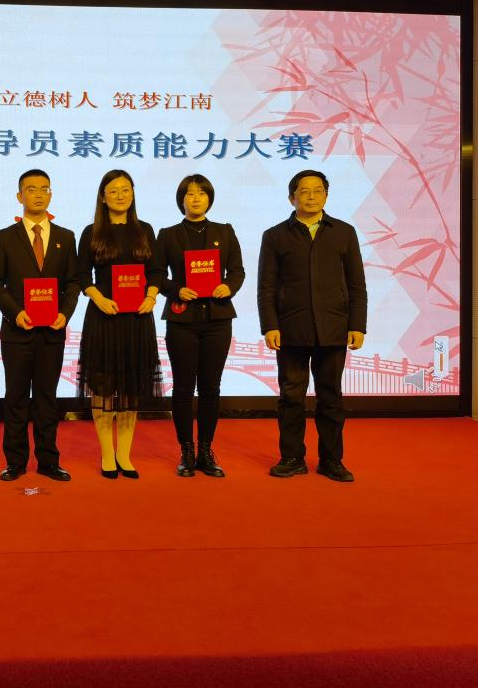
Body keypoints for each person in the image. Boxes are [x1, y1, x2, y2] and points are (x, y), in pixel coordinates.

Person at [257, 169, 367, 482]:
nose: (311, 196)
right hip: (290, 329)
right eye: (304, 191)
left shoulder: (343, 232)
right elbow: (266, 286)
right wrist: (269, 325)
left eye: (317, 190)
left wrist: (357, 324)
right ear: (292, 198)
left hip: (334, 327)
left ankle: (332, 460)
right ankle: (292, 458)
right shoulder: (275, 235)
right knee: (291, 397)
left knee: (331, 397)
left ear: (326, 195)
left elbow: (356, 283)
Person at [0, 169, 80, 482]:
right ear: (19, 196)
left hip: (52, 331)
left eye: (44, 189)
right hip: (17, 331)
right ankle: (15, 461)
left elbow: (73, 283)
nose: (38, 194)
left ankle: (48, 461)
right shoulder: (4, 237)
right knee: (15, 397)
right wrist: (15, 313)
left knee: (47, 398)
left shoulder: (66, 237)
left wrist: (65, 314)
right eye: (31, 189)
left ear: (50, 194)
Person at [156, 174, 245, 477]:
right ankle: (187, 451)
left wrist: (228, 286)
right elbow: (156, 275)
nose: (196, 199)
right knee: (183, 387)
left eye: (202, 193)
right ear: (181, 199)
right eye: (190, 194)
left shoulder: (225, 231)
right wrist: (175, 289)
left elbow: (237, 271)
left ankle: (206, 450)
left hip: (217, 319)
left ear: (210, 198)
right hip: (182, 319)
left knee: (210, 387)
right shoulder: (168, 235)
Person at [76, 169, 163, 479]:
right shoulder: (92, 232)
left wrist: (151, 296)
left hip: (137, 319)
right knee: (103, 388)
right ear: (103, 197)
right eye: (113, 190)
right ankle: (107, 454)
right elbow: (81, 275)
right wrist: (98, 298)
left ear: (133, 193)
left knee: (131, 388)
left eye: (126, 189)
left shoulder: (145, 229)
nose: (120, 195)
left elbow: (156, 271)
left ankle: (124, 455)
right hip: (104, 317)